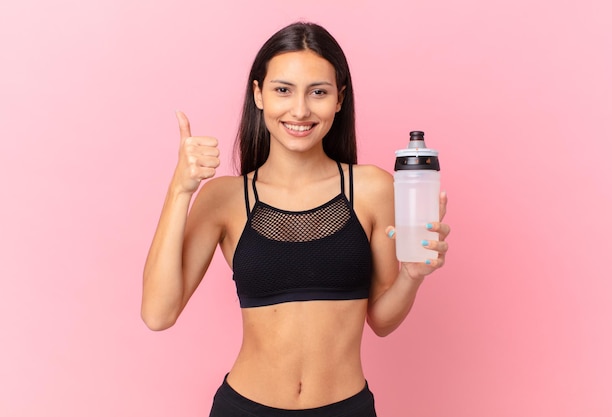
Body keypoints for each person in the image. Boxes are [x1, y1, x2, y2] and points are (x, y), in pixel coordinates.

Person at [142, 21, 450, 417]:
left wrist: (411, 275)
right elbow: (158, 313)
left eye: (318, 92)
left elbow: (382, 320)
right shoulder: (225, 198)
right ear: (259, 94)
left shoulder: (372, 189)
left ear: (339, 99)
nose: (300, 110)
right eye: (283, 90)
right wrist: (180, 189)